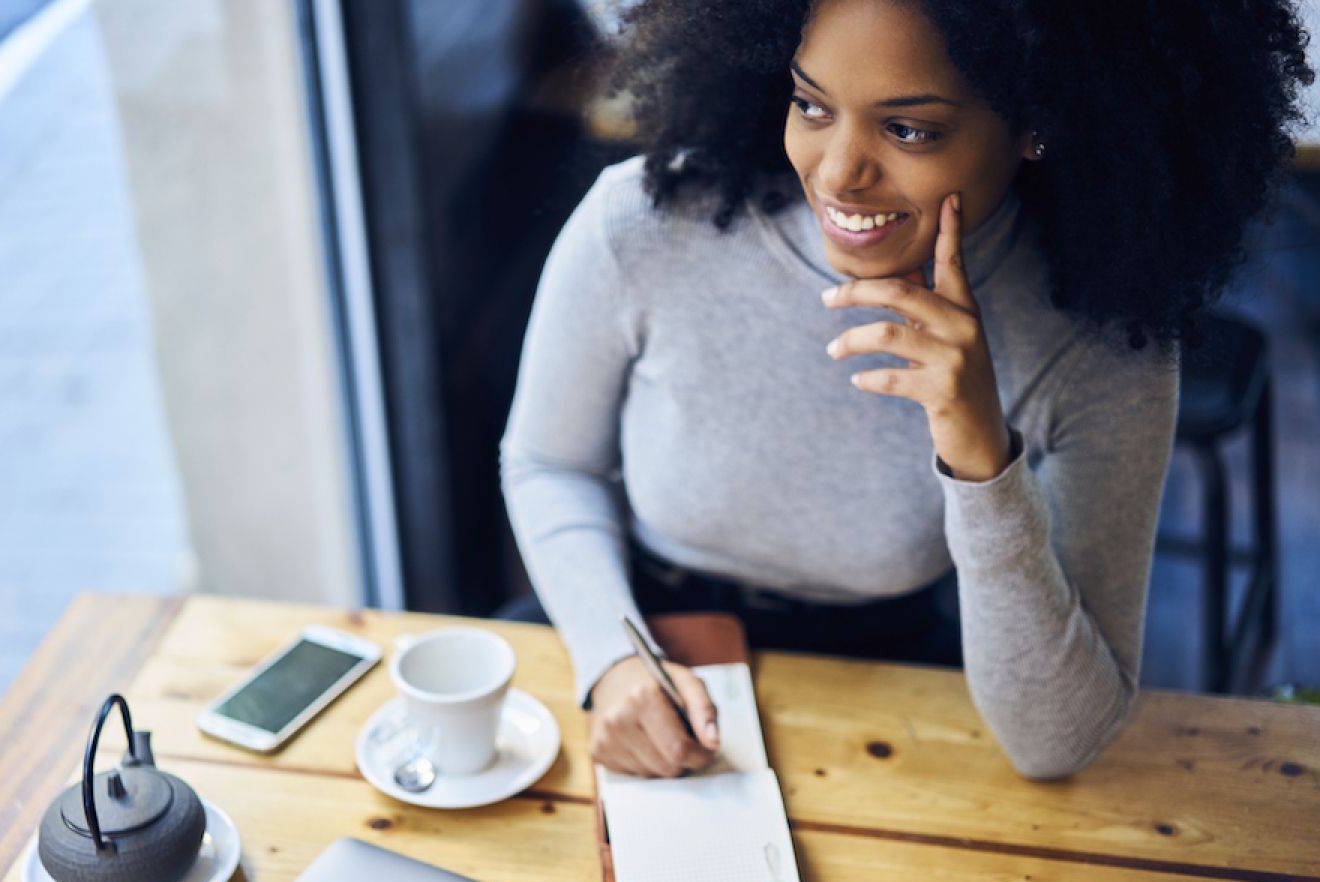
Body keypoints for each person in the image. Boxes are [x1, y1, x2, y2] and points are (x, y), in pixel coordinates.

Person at [500, 0, 1312, 780]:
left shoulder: (1101, 339)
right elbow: (546, 463)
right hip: (632, 632)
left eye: (909, 129)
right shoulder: (642, 227)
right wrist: (612, 657)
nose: (840, 173)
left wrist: (982, 459)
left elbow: (1058, 742)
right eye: (811, 106)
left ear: (1040, 120)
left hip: (890, 678)